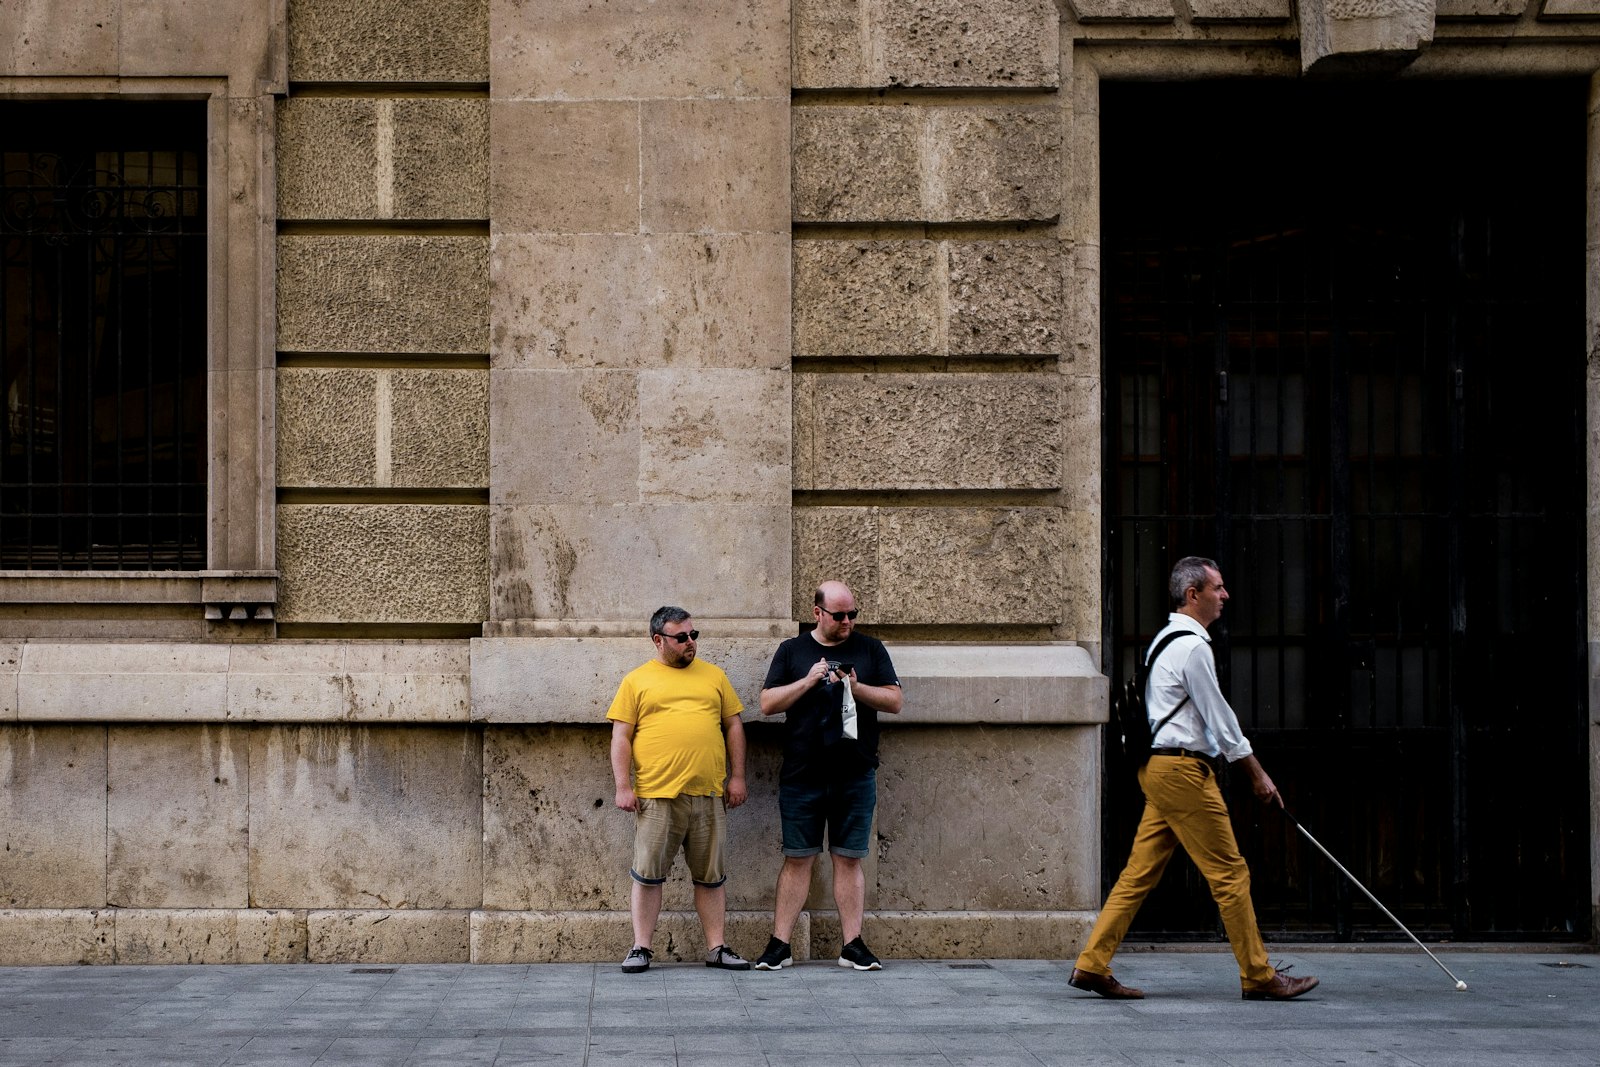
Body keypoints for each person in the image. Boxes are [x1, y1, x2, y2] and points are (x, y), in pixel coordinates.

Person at [1070, 557, 1320, 1001]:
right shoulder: (1193, 647)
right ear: (1193, 595)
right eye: (1218, 588)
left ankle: (1091, 964)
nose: (1225, 596)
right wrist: (1258, 775)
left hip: (1160, 768)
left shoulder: (1164, 640)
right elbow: (1220, 720)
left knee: (1138, 874)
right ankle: (1259, 975)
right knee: (1229, 873)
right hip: (1184, 770)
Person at [753, 580, 903, 971]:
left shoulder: (870, 648)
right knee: (797, 858)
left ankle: (852, 944)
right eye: (839, 615)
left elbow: (895, 700)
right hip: (803, 774)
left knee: (849, 859)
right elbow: (767, 703)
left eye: (853, 614)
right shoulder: (793, 650)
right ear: (817, 613)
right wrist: (807, 680)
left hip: (854, 772)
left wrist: (856, 685)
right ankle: (779, 945)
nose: (848, 621)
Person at [608, 606, 751, 973]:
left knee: (711, 876)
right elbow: (621, 736)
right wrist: (623, 786)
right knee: (647, 874)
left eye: (693, 635)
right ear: (658, 640)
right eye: (682, 637)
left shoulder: (714, 676)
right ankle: (641, 947)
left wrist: (737, 777)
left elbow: (734, 726)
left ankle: (716, 947)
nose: (691, 643)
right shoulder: (637, 681)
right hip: (657, 796)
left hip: (707, 794)